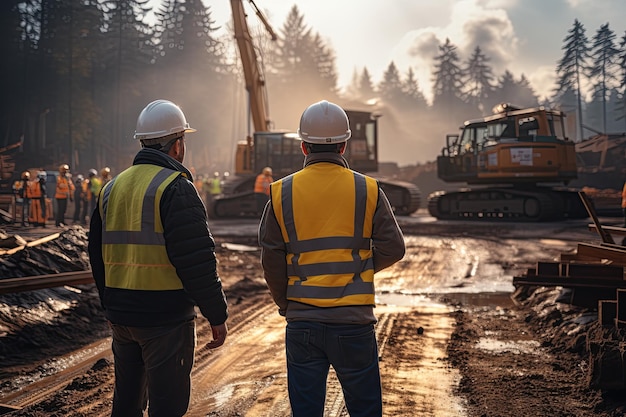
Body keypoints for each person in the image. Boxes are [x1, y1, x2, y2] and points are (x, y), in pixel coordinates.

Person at [258, 100, 406, 417]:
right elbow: (394, 248)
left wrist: (287, 304)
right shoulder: (368, 189)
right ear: (343, 144)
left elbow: (271, 258)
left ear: (302, 146)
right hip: (354, 323)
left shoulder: (281, 193)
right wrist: (360, 269)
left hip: (303, 323)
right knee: (365, 410)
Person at [87, 99, 229, 417]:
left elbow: (95, 254)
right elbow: (196, 260)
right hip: (165, 320)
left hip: (122, 316)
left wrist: (108, 303)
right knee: (168, 405)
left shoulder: (111, 188)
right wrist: (216, 313)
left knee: (127, 403)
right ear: (177, 145)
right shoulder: (176, 188)